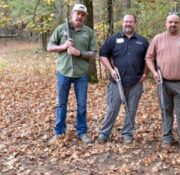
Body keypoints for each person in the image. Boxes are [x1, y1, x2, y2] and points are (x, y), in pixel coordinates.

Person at [145, 12, 180, 157]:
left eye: (175, 22)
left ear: (179, 24)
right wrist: (154, 73)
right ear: (166, 23)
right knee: (165, 111)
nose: (172, 25)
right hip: (162, 83)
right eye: (170, 22)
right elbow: (149, 58)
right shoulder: (158, 39)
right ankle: (167, 137)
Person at [47, 4, 97, 144]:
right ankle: (59, 133)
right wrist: (63, 47)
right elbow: (49, 47)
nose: (80, 16)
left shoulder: (89, 32)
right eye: (77, 13)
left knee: (82, 105)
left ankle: (82, 132)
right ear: (72, 14)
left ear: (85, 17)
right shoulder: (61, 29)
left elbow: (93, 54)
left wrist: (79, 53)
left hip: (81, 74)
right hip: (64, 72)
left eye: (82, 14)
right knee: (61, 104)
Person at [96, 14, 149, 144]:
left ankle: (127, 134)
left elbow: (149, 58)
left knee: (131, 110)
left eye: (130, 22)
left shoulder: (143, 41)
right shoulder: (113, 39)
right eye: (126, 21)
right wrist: (111, 70)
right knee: (112, 109)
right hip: (116, 82)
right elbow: (102, 55)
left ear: (135, 23)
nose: (128, 24)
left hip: (136, 82)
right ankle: (104, 134)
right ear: (122, 23)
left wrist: (145, 74)